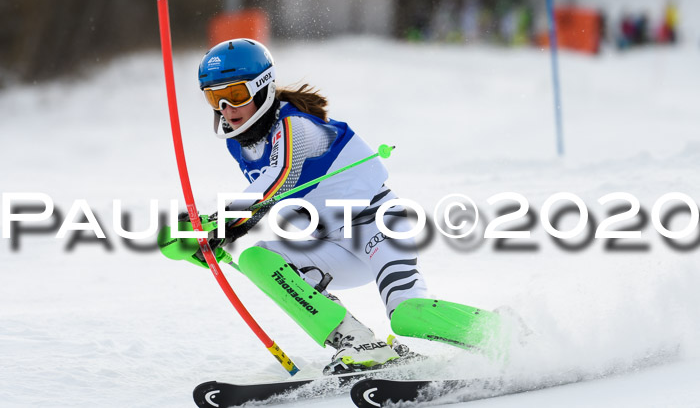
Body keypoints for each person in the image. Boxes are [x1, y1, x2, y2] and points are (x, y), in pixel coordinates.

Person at [159, 38, 510, 375]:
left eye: (235, 94)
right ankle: (358, 343)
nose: (226, 108)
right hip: (328, 243)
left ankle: (507, 335)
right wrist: (199, 237)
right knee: (256, 258)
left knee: (408, 316)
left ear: (263, 87)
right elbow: (266, 203)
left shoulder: (297, 126)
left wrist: (220, 224)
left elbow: (279, 180)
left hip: (377, 229)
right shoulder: (241, 144)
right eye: (214, 97)